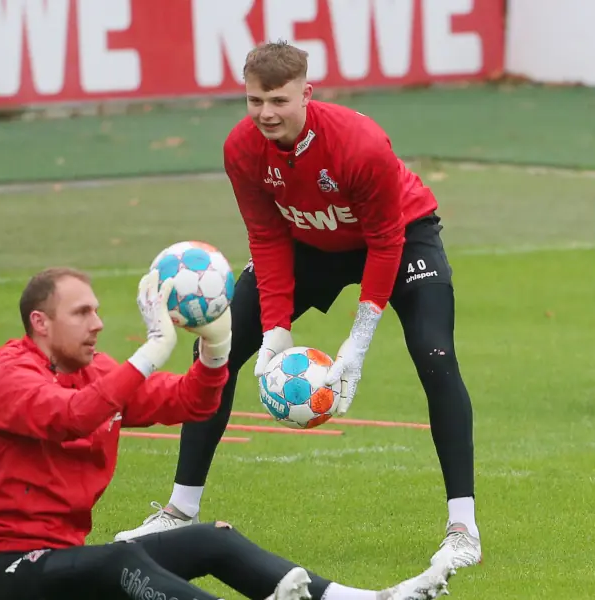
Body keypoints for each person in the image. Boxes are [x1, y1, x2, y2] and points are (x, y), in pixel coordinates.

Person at [113, 41, 482, 575]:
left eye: (279, 101)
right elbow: (265, 237)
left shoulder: (360, 144)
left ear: (306, 94)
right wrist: (276, 331)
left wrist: (356, 342)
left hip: (400, 237)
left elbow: (384, 241)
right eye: (254, 100)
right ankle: (178, 511)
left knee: (435, 355)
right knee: (217, 346)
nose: (266, 113)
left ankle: (462, 529)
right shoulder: (241, 148)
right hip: (305, 242)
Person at [0, 266, 453, 600]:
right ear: (40, 322)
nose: (98, 323)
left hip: (62, 561)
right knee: (120, 558)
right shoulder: (8, 378)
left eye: (98, 310)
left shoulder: (95, 374)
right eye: (82, 313)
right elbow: (72, 416)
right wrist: (149, 351)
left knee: (214, 541)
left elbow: (189, 402)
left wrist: (216, 349)